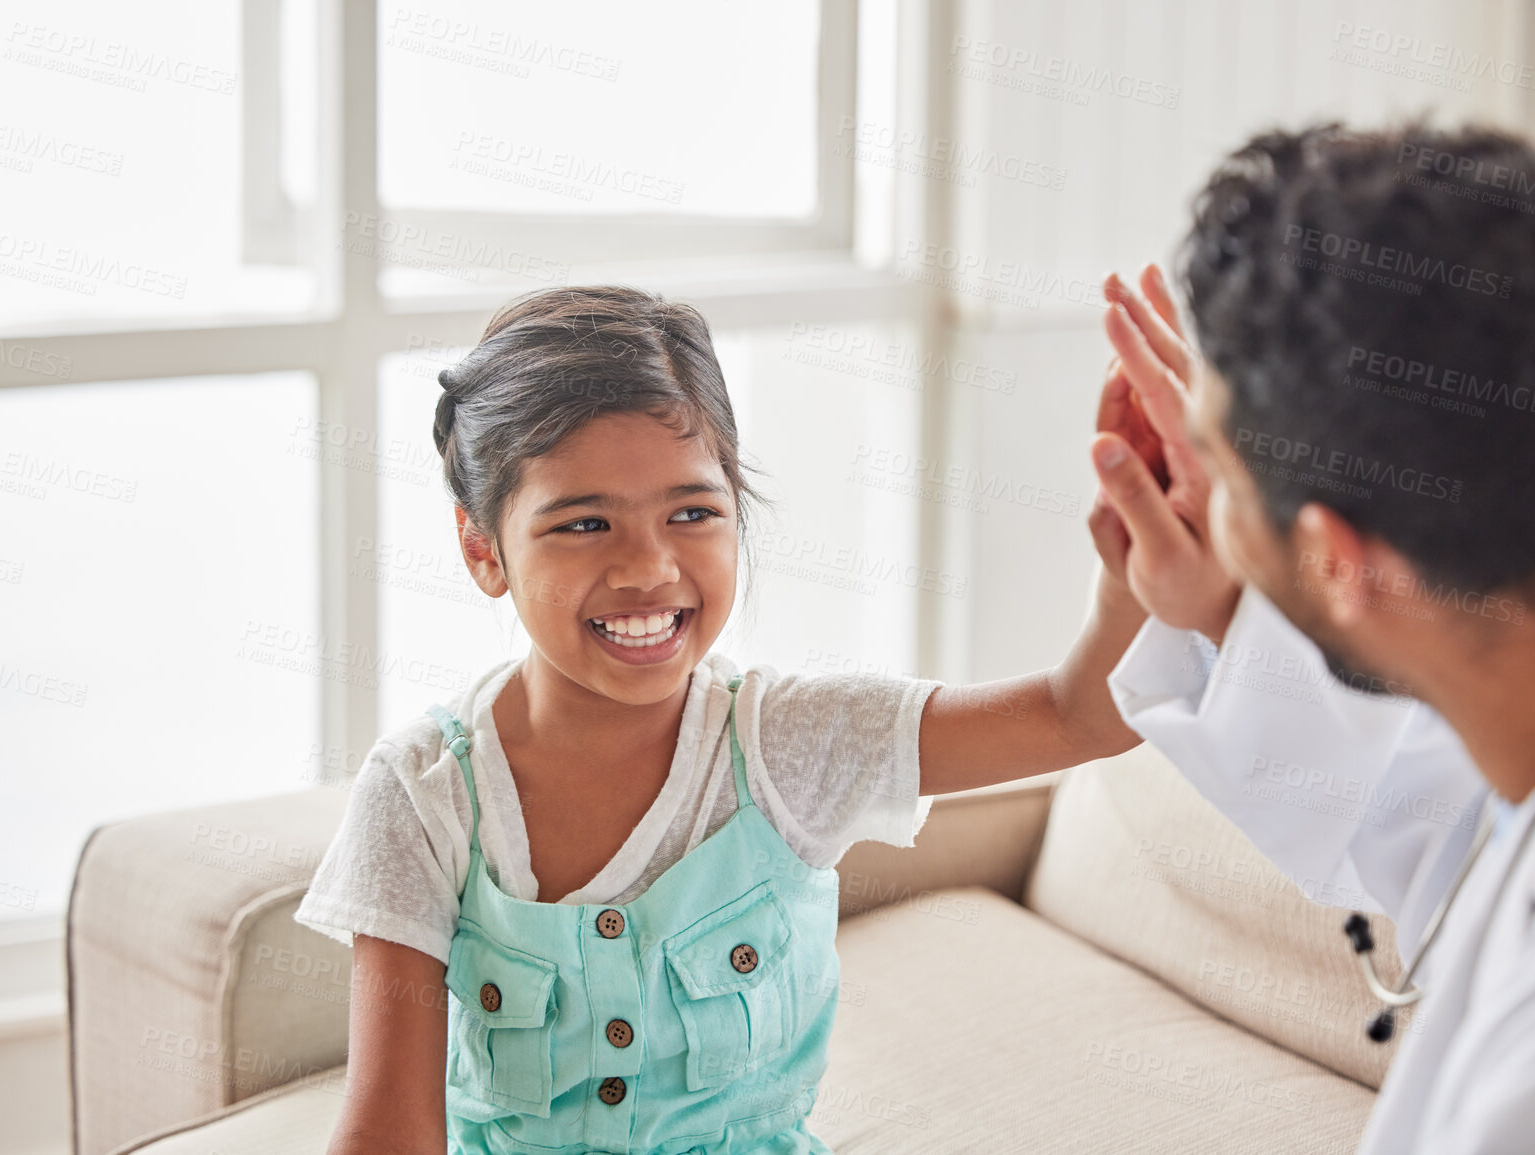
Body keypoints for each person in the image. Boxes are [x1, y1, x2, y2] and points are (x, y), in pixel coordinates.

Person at [294, 285, 1148, 1154]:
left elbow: (1079, 717)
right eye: (584, 522)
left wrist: (1134, 570)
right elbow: (388, 1129)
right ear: (484, 549)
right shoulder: (421, 794)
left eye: (692, 512)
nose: (648, 567)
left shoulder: (791, 742)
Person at [1087, 122, 1535, 1153]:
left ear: (1341, 558)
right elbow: (1449, 827)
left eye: (1227, 480)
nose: (1214, 506)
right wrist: (1223, 604)